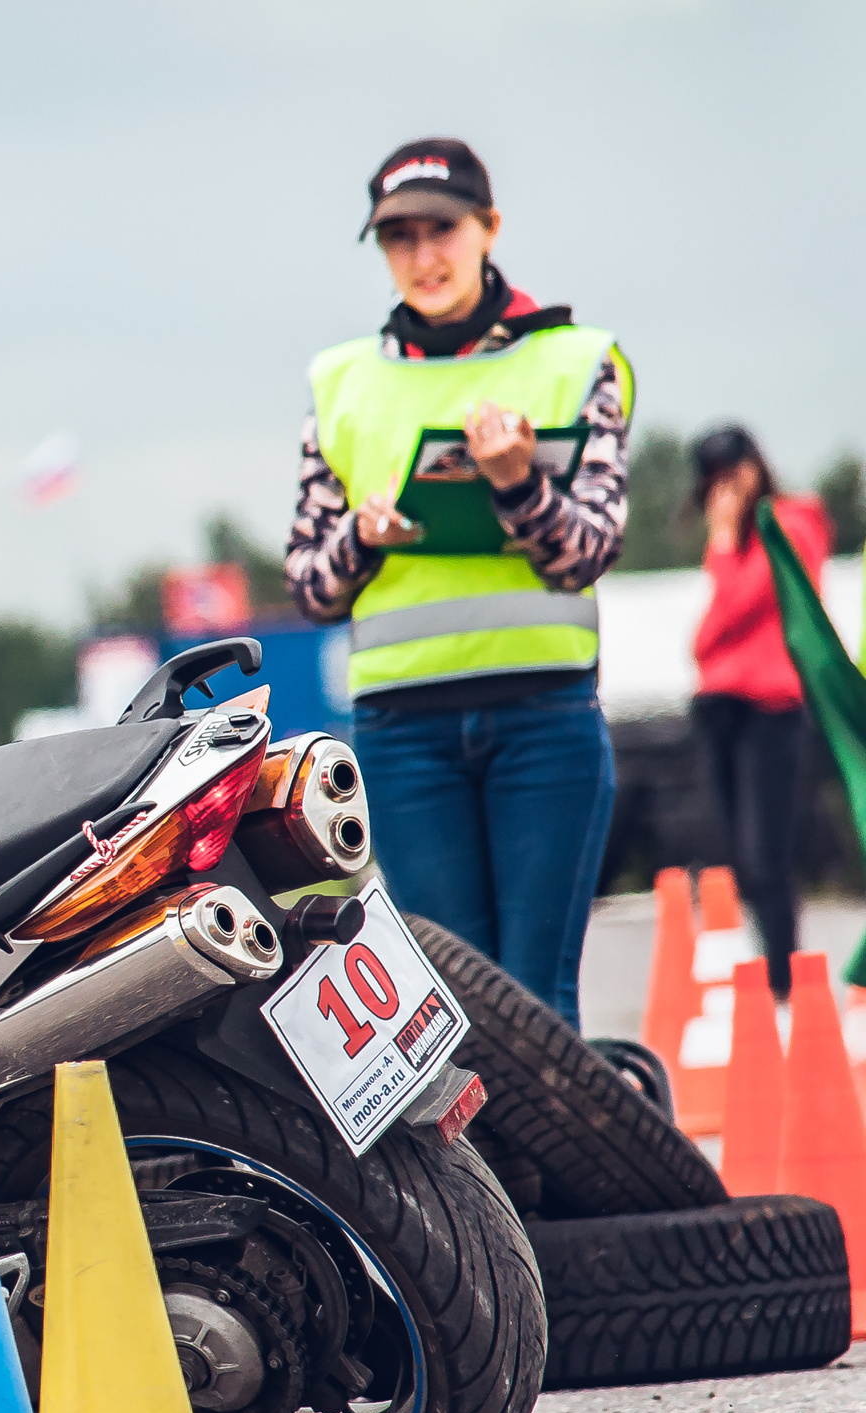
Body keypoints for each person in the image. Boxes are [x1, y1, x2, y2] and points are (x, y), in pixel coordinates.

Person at [285, 138, 633, 1028]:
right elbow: (311, 587)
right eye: (399, 237)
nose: (423, 256)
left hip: (544, 718)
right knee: (454, 1008)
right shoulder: (340, 382)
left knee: (537, 1002)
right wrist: (361, 538)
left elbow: (590, 550)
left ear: (489, 229)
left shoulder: (580, 360)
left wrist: (519, 483)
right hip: (405, 732)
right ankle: (488, 1178)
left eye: (441, 229)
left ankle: (550, 1177)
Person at [689, 425, 835, 997]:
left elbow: (742, 604)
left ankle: (784, 981)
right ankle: (773, 974)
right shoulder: (736, 538)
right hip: (721, 707)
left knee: (764, 851)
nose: (726, 492)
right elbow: (707, 639)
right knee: (741, 857)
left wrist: (723, 541)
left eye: (734, 475)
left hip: (769, 708)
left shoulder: (791, 525)